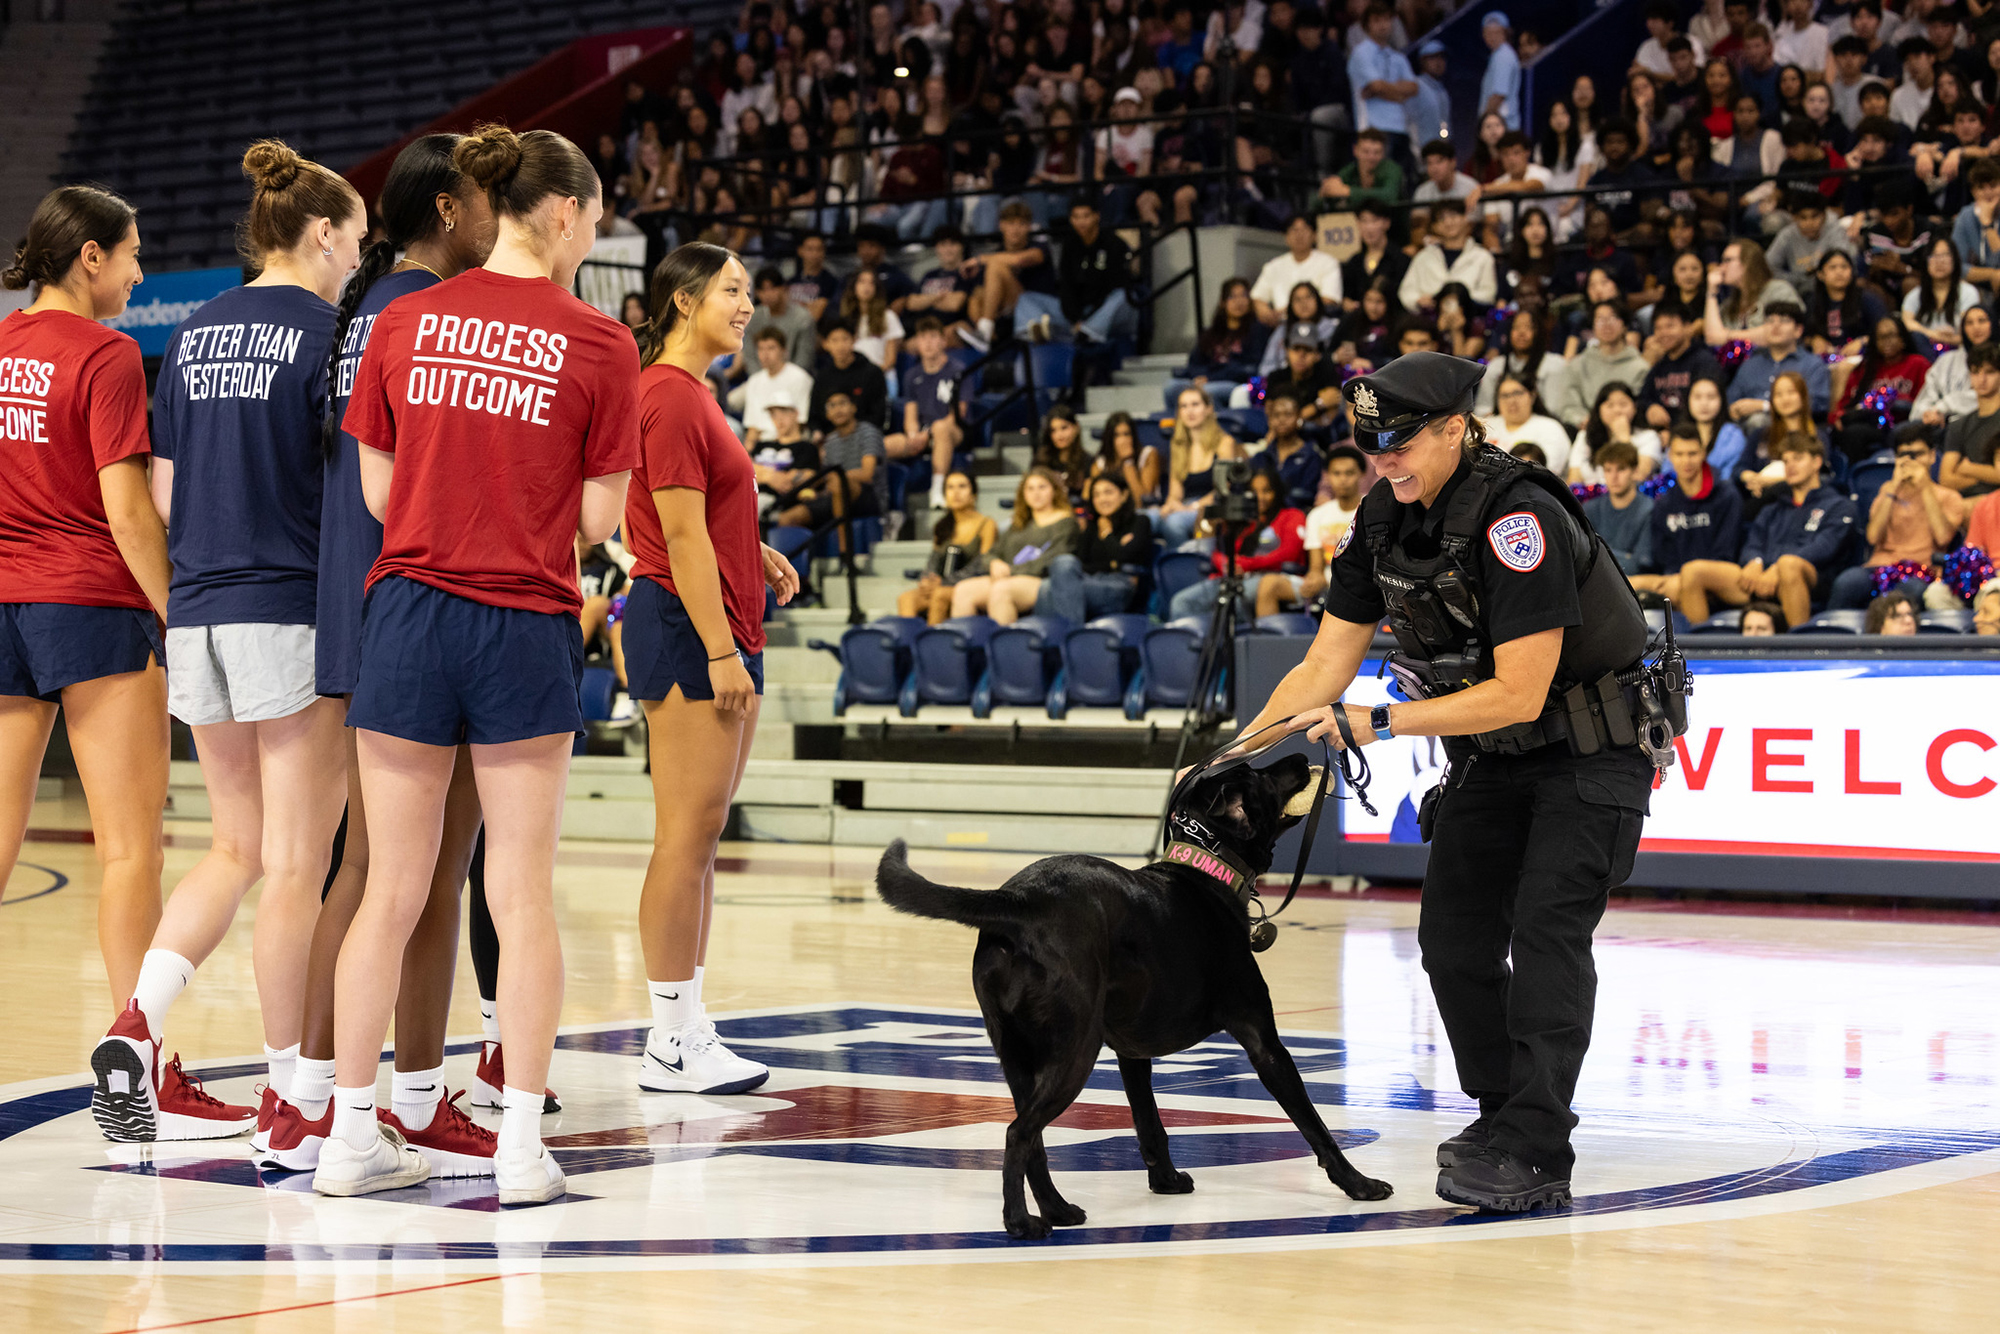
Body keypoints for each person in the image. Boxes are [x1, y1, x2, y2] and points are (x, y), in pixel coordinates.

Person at [1223, 351, 1660, 1212]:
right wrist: (1232, 757)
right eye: (1369, 447)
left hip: (1587, 752)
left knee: (1545, 937)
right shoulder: (1380, 519)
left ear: (1456, 427)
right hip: (1492, 757)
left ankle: (1538, 1147)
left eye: (1399, 445)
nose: (1381, 463)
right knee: (1452, 945)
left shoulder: (1517, 517)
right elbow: (1323, 664)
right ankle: (1504, 1113)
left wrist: (1380, 722)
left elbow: (1520, 689)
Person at [312, 125, 637, 1206]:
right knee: (521, 891)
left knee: (389, 892)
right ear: (559, 215)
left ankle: (351, 1136)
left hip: (404, 612)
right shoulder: (599, 342)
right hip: (520, 622)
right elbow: (595, 520)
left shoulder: (401, 318)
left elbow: (373, 494)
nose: (593, 236)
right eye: (594, 219)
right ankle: (516, 1150)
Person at [90, 143, 364, 1147]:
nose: (358, 258)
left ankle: (137, 1021)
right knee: (298, 862)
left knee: (234, 846)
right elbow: (353, 492)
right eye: (358, 240)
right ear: (325, 233)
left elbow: (162, 496)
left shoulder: (194, 330)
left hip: (195, 609)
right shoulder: (331, 334)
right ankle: (292, 1089)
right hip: (286, 609)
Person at [288, 135, 507, 1178]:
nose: (498, 220)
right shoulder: (423, 317)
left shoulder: (367, 313)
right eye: (487, 202)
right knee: (412, 876)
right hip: (415, 609)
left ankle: (309, 1094)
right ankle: (396, 1100)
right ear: (450, 207)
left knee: (371, 872)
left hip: (356, 604)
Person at [622, 243, 798, 1101]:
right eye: (734, 290)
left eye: (750, 292)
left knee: (702, 841)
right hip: (692, 633)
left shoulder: (692, 395)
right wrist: (723, 648)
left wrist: (751, 549)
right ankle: (667, 1038)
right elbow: (676, 536)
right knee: (684, 839)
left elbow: (699, 518)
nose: (748, 305)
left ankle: (688, 1026)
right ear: (684, 301)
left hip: (719, 620)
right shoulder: (664, 394)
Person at [0, 188, 172, 1026]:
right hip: (93, 604)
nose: (141, 273)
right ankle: (138, 1063)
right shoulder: (104, 356)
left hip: (5, 605)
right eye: (133, 254)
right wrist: (176, 607)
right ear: (91, 256)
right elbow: (128, 511)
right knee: (133, 848)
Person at [1675, 436, 1858, 624]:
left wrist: (1778, 567)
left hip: (1811, 579)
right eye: (1786, 461)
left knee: (1789, 565)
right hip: (1762, 576)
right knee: (1692, 571)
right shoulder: (1773, 508)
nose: (1790, 465)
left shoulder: (1839, 505)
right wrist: (1755, 561)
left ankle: (1801, 651)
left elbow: (1825, 547)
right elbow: (1754, 541)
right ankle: (1697, 650)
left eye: (1798, 458)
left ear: (1817, 462)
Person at [1830, 431, 1965, 608]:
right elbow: (1872, 537)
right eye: (1903, 455)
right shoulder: (1887, 490)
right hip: (1880, 566)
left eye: (1918, 454)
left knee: (1909, 590)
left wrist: (1925, 487)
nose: (1911, 461)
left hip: (1921, 569)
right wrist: (1893, 487)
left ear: (1932, 456)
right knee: (1847, 582)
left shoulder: (1949, 496)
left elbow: (1943, 537)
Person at [1632, 416, 1744, 606]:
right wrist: (1674, 576)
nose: (1686, 461)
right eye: (1680, 454)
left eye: (1692, 453)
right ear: (1670, 456)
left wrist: (1684, 577)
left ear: (1703, 454)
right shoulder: (1664, 503)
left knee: (1688, 578)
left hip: (1719, 578)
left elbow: (1726, 551)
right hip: (1675, 577)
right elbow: (1662, 556)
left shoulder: (1726, 495)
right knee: (1629, 583)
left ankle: (1697, 634)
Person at [1169, 466, 1307, 620]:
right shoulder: (1242, 520)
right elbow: (1218, 551)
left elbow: (1289, 554)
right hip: (1234, 578)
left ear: (1277, 492)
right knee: (1181, 602)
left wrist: (1246, 564)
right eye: (1254, 492)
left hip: (1270, 577)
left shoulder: (1292, 516)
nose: (1260, 497)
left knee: (1234, 603)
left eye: (1267, 491)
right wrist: (1226, 563)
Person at [948, 468, 1080, 623]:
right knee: (963, 590)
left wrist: (1011, 571)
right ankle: (965, 644)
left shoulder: (1066, 522)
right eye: (1030, 488)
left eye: (1042, 487)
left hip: (1042, 580)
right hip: (1007, 577)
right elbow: (991, 553)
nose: (1036, 493)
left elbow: (1055, 559)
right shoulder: (1018, 524)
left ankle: (1005, 645)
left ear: (1054, 491)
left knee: (1001, 591)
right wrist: (994, 563)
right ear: (1023, 494)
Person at [1256, 443, 1367, 614]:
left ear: (1361, 474)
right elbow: (1316, 567)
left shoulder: (1372, 509)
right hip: (1326, 582)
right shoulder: (1317, 514)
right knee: (1268, 584)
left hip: (1363, 579)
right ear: (1328, 476)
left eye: (1349, 473)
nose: (1343, 479)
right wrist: (1315, 577)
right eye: (1336, 473)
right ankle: (1267, 638)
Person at [1037, 472, 1155, 622]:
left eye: (1108, 492)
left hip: (1120, 585)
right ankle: (1064, 638)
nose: (1102, 499)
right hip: (1089, 581)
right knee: (1058, 570)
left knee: (1053, 587)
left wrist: (1107, 534)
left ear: (1124, 495)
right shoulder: (1092, 528)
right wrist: (1112, 563)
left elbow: (1127, 557)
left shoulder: (1140, 521)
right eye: (1096, 495)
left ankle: (1062, 639)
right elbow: (1081, 563)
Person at [1021, 193, 1137, 345]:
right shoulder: (1069, 246)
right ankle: (1035, 331)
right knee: (1026, 299)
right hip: (1077, 313)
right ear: (1070, 219)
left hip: (1105, 310)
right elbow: (1066, 284)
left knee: (1124, 296)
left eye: (1086, 216)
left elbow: (1115, 284)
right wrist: (1075, 318)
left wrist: (1088, 317)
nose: (1081, 222)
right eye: (1076, 217)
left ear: (1097, 216)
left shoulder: (1114, 244)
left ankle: (1088, 331)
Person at [900, 471, 997, 623]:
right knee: (906, 598)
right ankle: (910, 645)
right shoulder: (941, 525)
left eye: (962, 486)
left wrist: (945, 582)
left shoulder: (986, 524)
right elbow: (933, 561)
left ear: (974, 493)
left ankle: (933, 644)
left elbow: (982, 566)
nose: (956, 492)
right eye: (950, 487)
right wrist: (927, 580)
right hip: (940, 584)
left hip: (966, 585)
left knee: (940, 594)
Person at [1156, 385, 1242, 545]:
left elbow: (1223, 489)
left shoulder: (1224, 443)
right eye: (1184, 406)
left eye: (1195, 404)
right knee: (1149, 519)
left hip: (1212, 507)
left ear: (1208, 409)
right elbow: (1175, 492)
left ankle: (1185, 563)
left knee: (1174, 523)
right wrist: (1171, 504)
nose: (1190, 411)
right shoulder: (1178, 444)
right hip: (1185, 505)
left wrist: (1193, 507)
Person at [898, 317, 966, 510]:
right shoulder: (911, 375)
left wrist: (928, 434)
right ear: (917, 343)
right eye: (922, 337)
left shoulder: (957, 370)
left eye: (933, 337)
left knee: (941, 427)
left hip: (954, 430)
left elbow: (959, 413)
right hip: (922, 434)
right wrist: (913, 435)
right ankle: (887, 507)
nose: (927, 343)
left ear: (943, 341)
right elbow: (910, 415)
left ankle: (936, 489)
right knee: (884, 445)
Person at [1726, 302, 1831, 424]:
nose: (1775, 326)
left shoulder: (1812, 365)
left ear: (1798, 330)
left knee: (1758, 421)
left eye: (1784, 320)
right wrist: (1733, 409)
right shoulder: (1750, 365)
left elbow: (1818, 406)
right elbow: (1730, 401)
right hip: (1745, 430)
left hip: (1794, 430)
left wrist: (1765, 406)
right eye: (1770, 321)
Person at [1347, 3, 1418, 175]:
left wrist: (1384, 90)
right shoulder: (1360, 53)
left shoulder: (1397, 56)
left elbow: (1414, 88)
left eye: (1387, 19)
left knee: (1403, 181)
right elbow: (1377, 86)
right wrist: (1399, 92)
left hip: (1401, 126)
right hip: (1374, 128)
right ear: (1366, 25)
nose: (1383, 25)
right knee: (1383, 179)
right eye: (1377, 20)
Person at [1556, 301, 1649, 429]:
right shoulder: (1578, 364)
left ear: (1625, 326)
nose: (1606, 325)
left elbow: (1641, 408)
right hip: (1585, 429)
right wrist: (1585, 421)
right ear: (1593, 326)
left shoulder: (1640, 367)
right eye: (1600, 319)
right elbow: (1568, 406)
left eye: (1613, 318)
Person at [1638, 300, 1725, 428]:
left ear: (1688, 327)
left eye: (1670, 326)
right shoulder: (1659, 366)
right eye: (1658, 328)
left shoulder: (1704, 362)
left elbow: (1710, 407)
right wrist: (1650, 408)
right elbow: (1643, 399)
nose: (1663, 333)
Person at [1399, 201, 1497, 313]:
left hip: (1468, 316)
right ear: (1434, 227)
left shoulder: (1482, 256)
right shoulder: (1423, 257)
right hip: (1429, 318)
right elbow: (1407, 291)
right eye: (1441, 219)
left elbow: (1488, 294)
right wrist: (1418, 301)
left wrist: (1458, 299)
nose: (1448, 222)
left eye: (1453, 216)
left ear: (1465, 219)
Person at [1251, 215, 1343, 326]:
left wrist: (1291, 310)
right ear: (1286, 237)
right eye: (1294, 230)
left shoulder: (1328, 262)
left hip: (1317, 324)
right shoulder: (1273, 266)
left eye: (1305, 229)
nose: (1299, 235)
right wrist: (1268, 314)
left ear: (1314, 235)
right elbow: (1258, 298)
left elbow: (1329, 299)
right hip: (1281, 325)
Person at [1581, 441, 1655, 574]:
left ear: (1635, 471)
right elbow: (1583, 557)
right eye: (1608, 470)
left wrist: (1601, 555)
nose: (1614, 477)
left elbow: (1641, 563)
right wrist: (1625, 556)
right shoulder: (1590, 509)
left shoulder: (1649, 509)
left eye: (1621, 469)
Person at [737, 326, 816, 449]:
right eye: (761, 349)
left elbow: (801, 422)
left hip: (791, 442)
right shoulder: (754, 381)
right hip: (762, 444)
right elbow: (752, 427)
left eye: (771, 348)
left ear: (784, 351)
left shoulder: (800, 378)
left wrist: (778, 445)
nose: (765, 354)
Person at [1482, 372, 1574, 475]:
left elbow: (1545, 474)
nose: (1511, 400)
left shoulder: (1551, 428)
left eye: (1517, 393)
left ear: (1532, 396)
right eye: (1505, 395)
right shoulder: (1484, 425)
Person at [808, 321, 889, 434]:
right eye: (834, 340)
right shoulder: (822, 377)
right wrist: (818, 433)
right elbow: (814, 416)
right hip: (830, 438)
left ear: (854, 340)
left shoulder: (872, 373)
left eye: (845, 339)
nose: (840, 346)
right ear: (825, 344)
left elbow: (878, 415)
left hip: (865, 436)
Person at [1941, 343, 2000, 498]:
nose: (1982, 379)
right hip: (1963, 501)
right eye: (1975, 372)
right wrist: (1987, 477)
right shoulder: (1958, 425)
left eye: (1990, 372)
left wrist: (1968, 468)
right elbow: (1945, 479)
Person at [1255, 390, 1328, 511]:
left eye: (1288, 414)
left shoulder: (1311, 456)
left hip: (1296, 515)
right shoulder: (1262, 457)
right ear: (1269, 420)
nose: (1282, 420)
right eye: (1276, 415)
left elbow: (1308, 494)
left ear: (1299, 417)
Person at [1480, 10, 1523, 130]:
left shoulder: (1503, 56)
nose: (1492, 37)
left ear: (1505, 33)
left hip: (1501, 127)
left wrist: (1484, 123)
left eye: (1497, 32)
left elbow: (1498, 95)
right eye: (1488, 33)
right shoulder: (1498, 55)